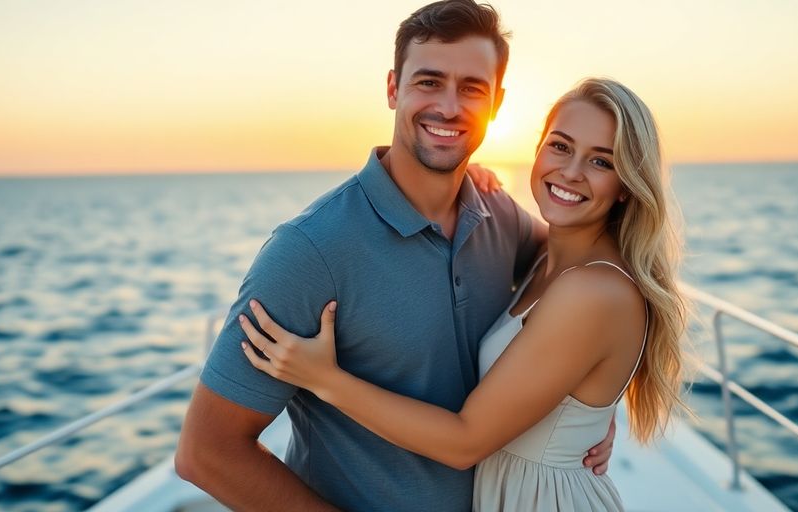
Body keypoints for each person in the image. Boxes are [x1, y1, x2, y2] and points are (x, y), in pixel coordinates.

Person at [173, 2, 614, 511]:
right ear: (392, 88)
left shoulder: (499, 213)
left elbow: (587, 290)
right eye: (428, 82)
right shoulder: (310, 250)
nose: (449, 107)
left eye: (471, 88)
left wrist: (590, 410)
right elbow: (206, 452)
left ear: (496, 104)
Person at [239, 77, 690, 511]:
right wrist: (462, 179)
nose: (570, 172)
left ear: (628, 187)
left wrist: (323, 379)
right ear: (537, 150)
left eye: (601, 162)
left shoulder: (592, 291)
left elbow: (464, 442)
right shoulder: (550, 255)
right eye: (560, 146)